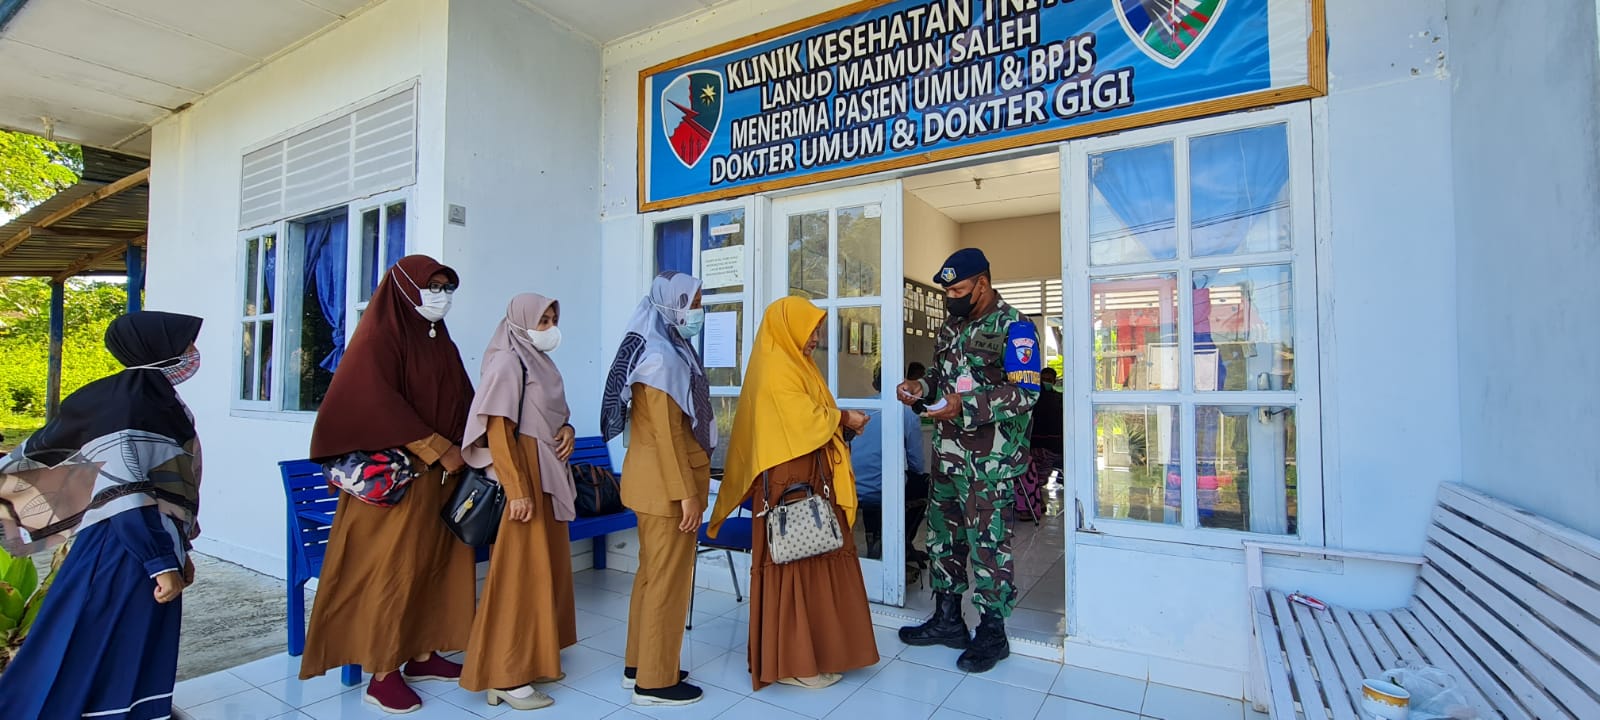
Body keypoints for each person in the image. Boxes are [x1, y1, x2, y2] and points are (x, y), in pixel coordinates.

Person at [0, 311, 203, 720]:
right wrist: (160, 561)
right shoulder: (128, 403)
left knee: (128, 648)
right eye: (185, 345)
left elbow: (166, 485)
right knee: (88, 649)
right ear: (156, 347)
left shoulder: (155, 399)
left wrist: (182, 549)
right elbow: (124, 492)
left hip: (143, 546)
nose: (192, 354)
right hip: (123, 550)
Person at [299, 254, 477, 714]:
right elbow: (374, 402)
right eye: (432, 285)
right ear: (403, 287)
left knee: (432, 565)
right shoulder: (379, 338)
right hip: (396, 485)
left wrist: (473, 446)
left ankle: (421, 653)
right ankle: (382, 673)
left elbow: (461, 398)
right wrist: (439, 448)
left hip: (441, 480)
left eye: (446, 286)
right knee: (391, 573)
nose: (440, 295)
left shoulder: (438, 339)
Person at [710, 295, 879, 691]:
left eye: (818, 329)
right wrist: (844, 418)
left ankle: (816, 652)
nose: (815, 338)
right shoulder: (775, 366)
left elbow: (812, 417)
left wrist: (840, 423)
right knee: (794, 566)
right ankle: (792, 663)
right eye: (810, 329)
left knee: (819, 562)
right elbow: (802, 419)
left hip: (809, 478)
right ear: (786, 328)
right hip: (790, 486)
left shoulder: (797, 364)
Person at [896, 248, 1041, 674]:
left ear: (983, 282)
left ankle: (993, 633)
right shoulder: (952, 326)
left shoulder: (1015, 326)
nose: (950, 298)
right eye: (946, 291)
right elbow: (942, 379)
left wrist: (964, 405)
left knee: (989, 547)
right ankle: (948, 619)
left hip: (990, 463)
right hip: (948, 457)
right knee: (943, 539)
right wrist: (920, 387)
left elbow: (1027, 392)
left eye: (958, 290)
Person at [458, 293, 579, 710]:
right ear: (520, 321)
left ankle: (534, 657)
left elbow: (551, 415)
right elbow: (496, 430)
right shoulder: (509, 361)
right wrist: (516, 489)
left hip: (544, 472)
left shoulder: (539, 361)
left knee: (540, 570)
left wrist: (568, 431)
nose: (548, 328)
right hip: (523, 476)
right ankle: (505, 677)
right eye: (541, 320)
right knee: (517, 575)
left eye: (551, 319)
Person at [600, 271, 715, 707]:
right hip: (667, 489)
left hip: (648, 483)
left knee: (651, 579)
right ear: (672, 303)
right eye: (694, 302)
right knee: (667, 583)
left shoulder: (659, 347)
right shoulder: (662, 359)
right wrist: (685, 492)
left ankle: (639, 665)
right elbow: (666, 435)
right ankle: (656, 681)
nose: (698, 311)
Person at [852, 368, 929, 564]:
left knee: (878, 474)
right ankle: (903, 542)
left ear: (874, 383)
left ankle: (873, 538)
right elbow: (916, 463)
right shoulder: (907, 412)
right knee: (921, 483)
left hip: (853, 486)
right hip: (882, 490)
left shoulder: (860, 407)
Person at [1019, 367, 1064, 521]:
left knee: (1033, 474)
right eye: (1044, 379)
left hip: (1047, 446)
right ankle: (1034, 502)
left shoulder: (1037, 398)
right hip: (1046, 446)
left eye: (1048, 380)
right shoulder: (1055, 398)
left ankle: (1032, 503)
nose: (1046, 382)